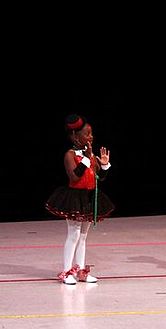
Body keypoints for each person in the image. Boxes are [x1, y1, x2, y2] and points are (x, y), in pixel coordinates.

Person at [45, 114, 114, 285]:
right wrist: (86, 158)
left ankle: (81, 270)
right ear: (76, 136)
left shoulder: (90, 154)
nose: (91, 137)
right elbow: (74, 177)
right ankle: (67, 272)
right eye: (87, 134)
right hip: (74, 198)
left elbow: (100, 177)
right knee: (73, 235)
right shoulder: (70, 155)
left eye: (91, 134)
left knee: (83, 236)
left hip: (89, 198)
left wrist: (104, 164)